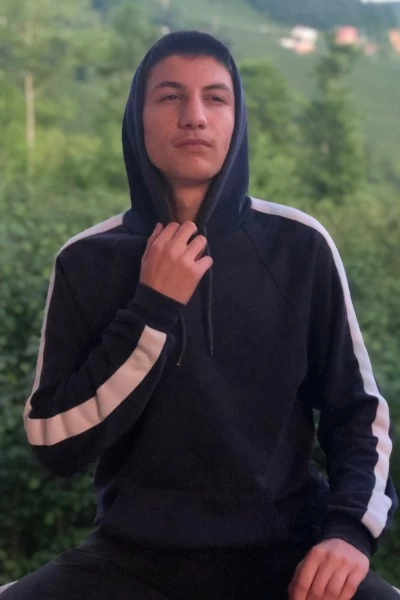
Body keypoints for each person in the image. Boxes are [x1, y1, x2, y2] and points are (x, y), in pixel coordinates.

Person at [3, 30, 398, 600]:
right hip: (131, 562)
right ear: (137, 119)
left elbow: (357, 412)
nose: (195, 116)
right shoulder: (87, 260)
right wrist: (152, 308)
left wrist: (350, 533)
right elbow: (53, 439)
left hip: (287, 556)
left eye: (216, 98)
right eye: (170, 96)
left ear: (237, 120)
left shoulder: (299, 245)